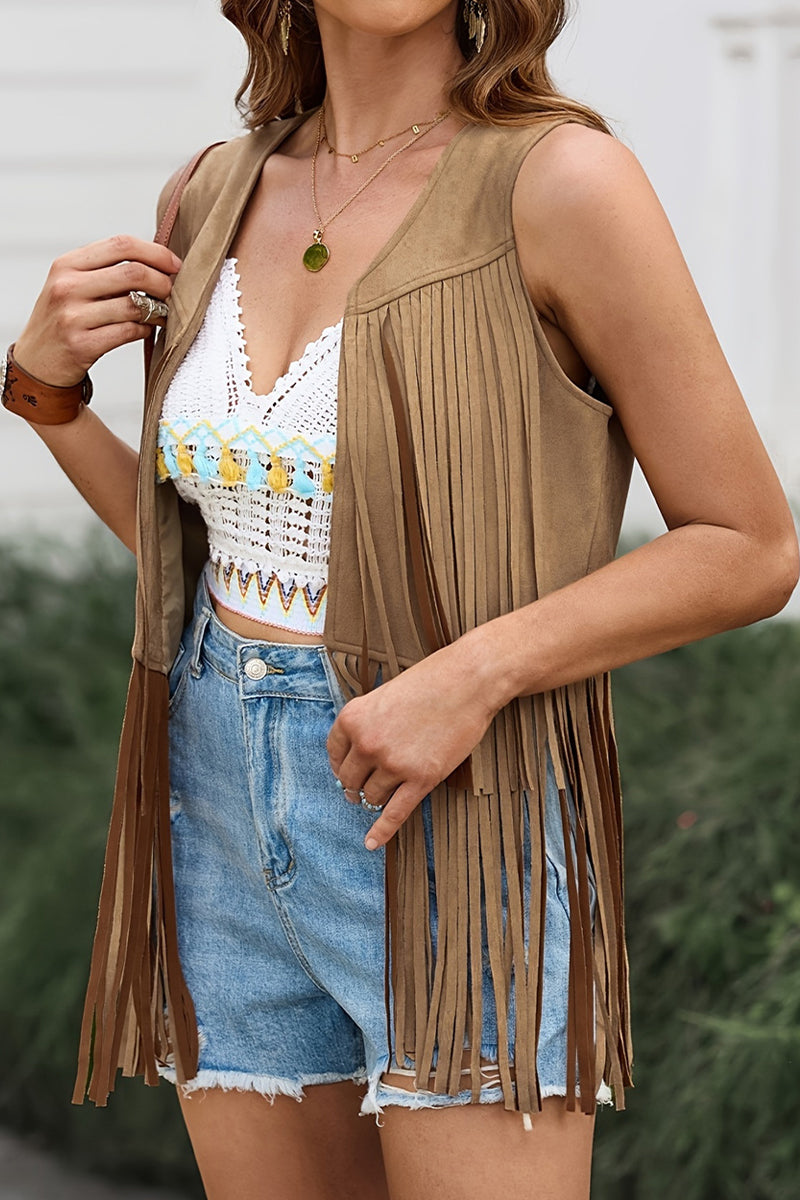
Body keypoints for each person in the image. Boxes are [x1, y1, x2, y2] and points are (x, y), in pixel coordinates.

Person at [3, 2, 798, 1198]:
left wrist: (472, 672)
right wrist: (45, 393)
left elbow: (746, 545)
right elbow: (208, 559)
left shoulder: (561, 182)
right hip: (213, 796)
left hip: (451, 812)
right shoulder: (210, 192)